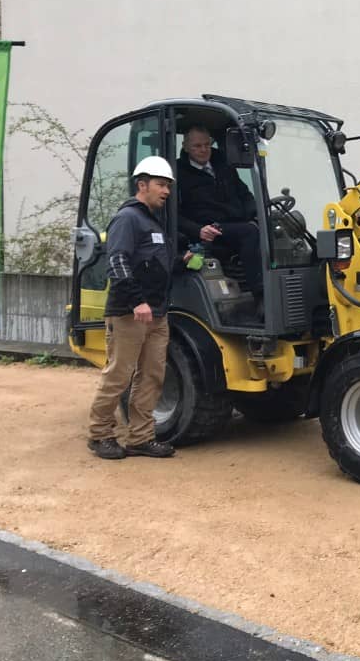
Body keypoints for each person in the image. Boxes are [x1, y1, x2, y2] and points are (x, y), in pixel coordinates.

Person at [87, 156, 183, 461]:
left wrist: (182, 260)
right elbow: (117, 261)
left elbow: (153, 262)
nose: (165, 191)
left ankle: (141, 437)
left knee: (152, 377)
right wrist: (137, 301)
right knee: (119, 375)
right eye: (160, 184)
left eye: (167, 185)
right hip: (130, 313)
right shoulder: (128, 218)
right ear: (142, 185)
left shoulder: (154, 221)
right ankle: (100, 434)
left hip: (156, 313)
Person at [176, 125, 264, 308]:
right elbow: (174, 214)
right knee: (249, 233)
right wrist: (198, 230)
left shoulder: (223, 165)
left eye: (207, 145)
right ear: (185, 147)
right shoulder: (178, 173)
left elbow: (245, 194)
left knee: (275, 229)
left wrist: (258, 215)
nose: (203, 150)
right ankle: (261, 295)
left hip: (235, 225)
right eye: (197, 146)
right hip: (207, 229)